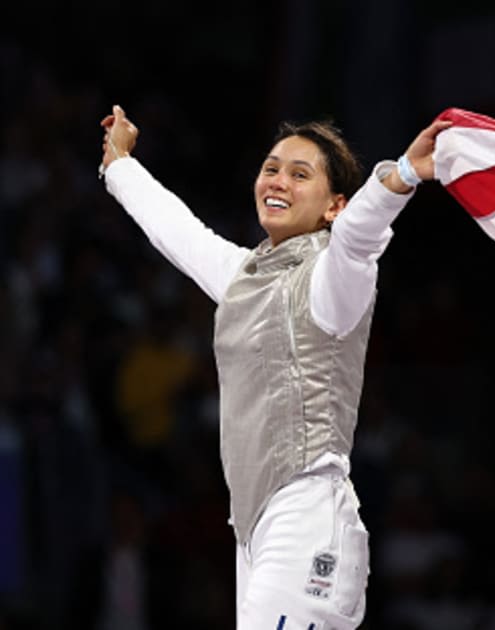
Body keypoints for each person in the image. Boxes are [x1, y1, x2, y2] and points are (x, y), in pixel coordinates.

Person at [99, 104, 452, 628]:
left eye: (299, 173)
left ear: (335, 206)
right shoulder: (244, 277)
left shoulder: (337, 278)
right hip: (255, 529)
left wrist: (400, 176)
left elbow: (360, 237)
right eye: (271, 168)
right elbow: (177, 231)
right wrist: (119, 165)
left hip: (309, 518)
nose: (278, 180)